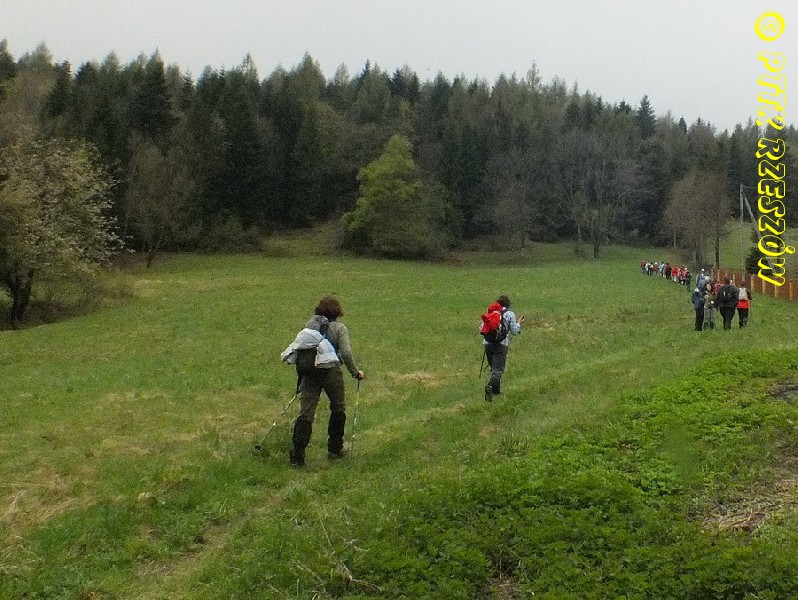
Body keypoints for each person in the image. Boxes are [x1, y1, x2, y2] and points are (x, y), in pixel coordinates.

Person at [288, 295, 364, 468]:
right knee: (338, 408)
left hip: (310, 372)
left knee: (306, 413)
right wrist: (355, 372)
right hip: (331, 372)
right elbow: (346, 352)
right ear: (337, 311)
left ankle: (298, 455)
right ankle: (335, 449)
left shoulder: (310, 325)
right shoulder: (340, 328)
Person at [483, 294, 524, 402]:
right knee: (498, 370)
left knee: (494, 368)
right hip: (501, 345)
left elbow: (483, 327)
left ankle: (496, 392)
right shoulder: (509, 314)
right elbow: (514, 331)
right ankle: (490, 387)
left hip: (487, 344)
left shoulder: (491, 312)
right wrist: (519, 323)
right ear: (508, 304)